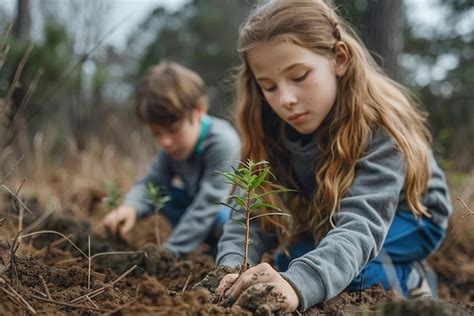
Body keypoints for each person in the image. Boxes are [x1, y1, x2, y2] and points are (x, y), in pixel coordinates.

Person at [214, 0, 452, 312]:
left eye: (299, 76)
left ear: (338, 58)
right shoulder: (267, 125)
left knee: (349, 274)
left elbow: (360, 226)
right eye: (269, 86)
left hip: (411, 216)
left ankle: (411, 277)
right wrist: (232, 270)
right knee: (293, 261)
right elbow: (245, 215)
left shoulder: (378, 126)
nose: (285, 99)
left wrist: (297, 286)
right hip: (338, 211)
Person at [103, 61, 241, 257]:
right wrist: (130, 207)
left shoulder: (222, 142)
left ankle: (221, 254)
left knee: (222, 218)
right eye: (156, 133)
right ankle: (197, 249)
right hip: (199, 212)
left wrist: (170, 253)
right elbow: (152, 183)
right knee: (162, 196)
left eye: (173, 129)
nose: (165, 142)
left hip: (232, 217)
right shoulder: (171, 149)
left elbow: (210, 202)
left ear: (199, 111)